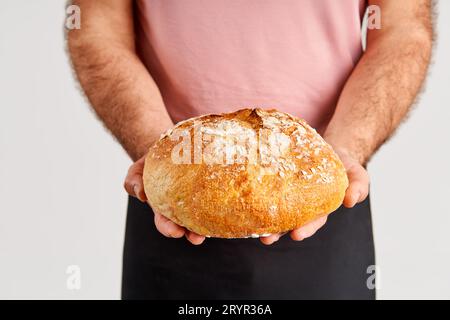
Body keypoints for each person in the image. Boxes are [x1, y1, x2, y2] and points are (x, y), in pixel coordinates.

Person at [68, 0, 433, 299]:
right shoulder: (166, 180)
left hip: (322, 190)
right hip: (171, 203)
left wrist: (345, 150)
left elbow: (403, 29)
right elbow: (97, 27)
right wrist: (160, 151)